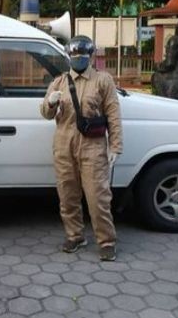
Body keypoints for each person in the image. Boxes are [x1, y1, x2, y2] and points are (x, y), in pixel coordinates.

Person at [40, 35, 122, 261]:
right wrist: (50, 102)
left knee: (98, 197)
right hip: (64, 145)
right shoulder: (59, 82)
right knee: (67, 195)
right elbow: (46, 114)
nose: (78, 60)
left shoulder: (102, 81)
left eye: (82, 56)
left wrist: (115, 146)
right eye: (74, 56)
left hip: (92, 147)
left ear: (91, 56)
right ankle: (75, 236)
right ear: (68, 57)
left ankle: (106, 241)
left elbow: (113, 115)